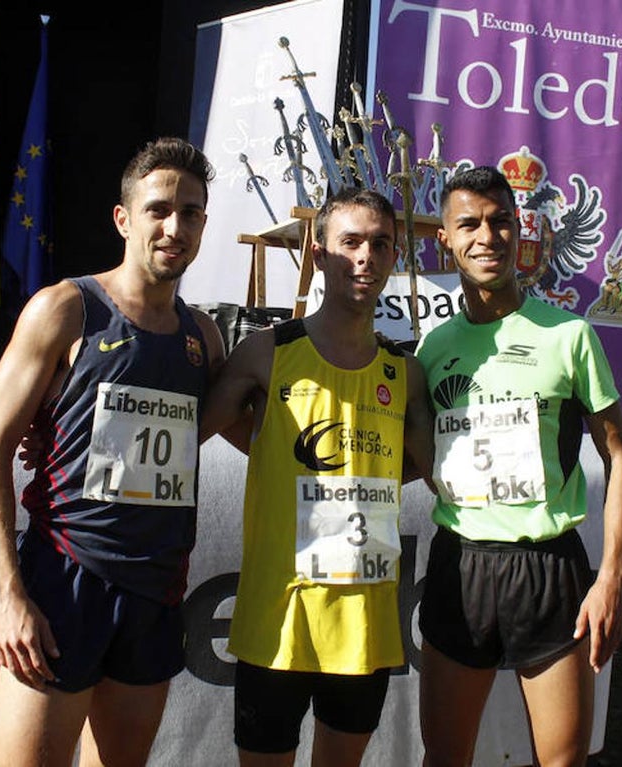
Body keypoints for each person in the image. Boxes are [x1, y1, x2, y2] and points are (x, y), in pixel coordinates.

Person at [0, 138, 226, 766]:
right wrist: (8, 597)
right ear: (123, 219)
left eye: (190, 213)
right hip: (64, 579)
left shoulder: (204, 337)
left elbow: (214, 428)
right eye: (158, 210)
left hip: (155, 592)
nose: (174, 228)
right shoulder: (65, 309)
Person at [198, 188, 435, 767]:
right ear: (318, 252)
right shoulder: (266, 352)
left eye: (380, 244)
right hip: (278, 622)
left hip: (363, 627)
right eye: (350, 242)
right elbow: (191, 428)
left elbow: (434, 472)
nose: (366, 256)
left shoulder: (405, 373)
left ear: (394, 256)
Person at [415, 167, 622, 766]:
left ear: (519, 230)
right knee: (445, 759)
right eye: (469, 224)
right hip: (460, 565)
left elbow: (619, 455)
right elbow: (418, 454)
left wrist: (612, 578)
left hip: (548, 569)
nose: (487, 236)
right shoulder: (432, 348)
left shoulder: (569, 335)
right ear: (445, 239)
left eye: (501, 221)